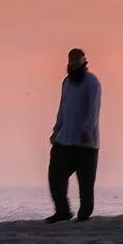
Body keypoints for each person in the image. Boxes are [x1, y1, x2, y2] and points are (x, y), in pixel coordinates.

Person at [45, 47, 101, 223]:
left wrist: (87, 130)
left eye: (78, 59)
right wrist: (56, 130)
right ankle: (63, 211)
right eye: (71, 59)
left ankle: (84, 214)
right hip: (64, 140)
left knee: (85, 183)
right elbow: (63, 109)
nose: (74, 62)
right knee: (55, 176)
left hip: (86, 144)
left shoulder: (92, 82)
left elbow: (93, 109)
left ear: (84, 61)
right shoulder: (67, 82)